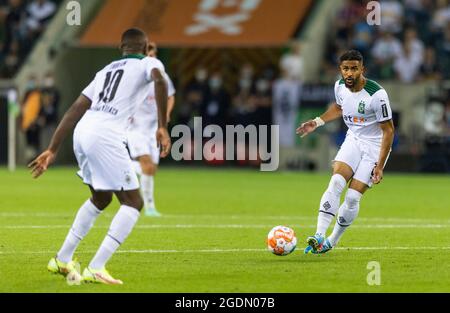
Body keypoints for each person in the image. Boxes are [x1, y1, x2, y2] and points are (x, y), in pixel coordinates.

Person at [28, 28, 171, 284]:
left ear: (121, 47)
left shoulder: (105, 71)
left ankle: (62, 259)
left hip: (83, 131)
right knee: (133, 202)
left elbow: (75, 107)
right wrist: (162, 126)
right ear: (146, 46)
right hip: (106, 136)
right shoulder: (150, 62)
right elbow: (160, 81)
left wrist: (53, 148)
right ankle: (97, 267)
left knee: (101, 197)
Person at [296, 50, 394, 254]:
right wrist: (317, 122)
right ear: (340, 69)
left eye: (354, 69)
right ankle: (319, 235)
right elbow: (339, 108)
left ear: (362, 70)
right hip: (353, 140)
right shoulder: (339, 86)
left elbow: (389, 130)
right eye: (345, 69)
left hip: (375, 147)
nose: (349, 73)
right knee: (336, 182)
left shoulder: (377, 95)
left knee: (351, 198)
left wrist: (380, 165)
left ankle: (332, 240)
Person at [127, 41, 175, 217]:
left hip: (154, 128)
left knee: (151, 168)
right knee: (147, 165)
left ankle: (149, 207)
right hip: (135, 128)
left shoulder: (162, 76)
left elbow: (170, 96)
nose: (151, 58)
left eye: (154, 55)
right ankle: (149, 207)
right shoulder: (134, 76)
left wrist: (166, 115)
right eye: (149, 55)